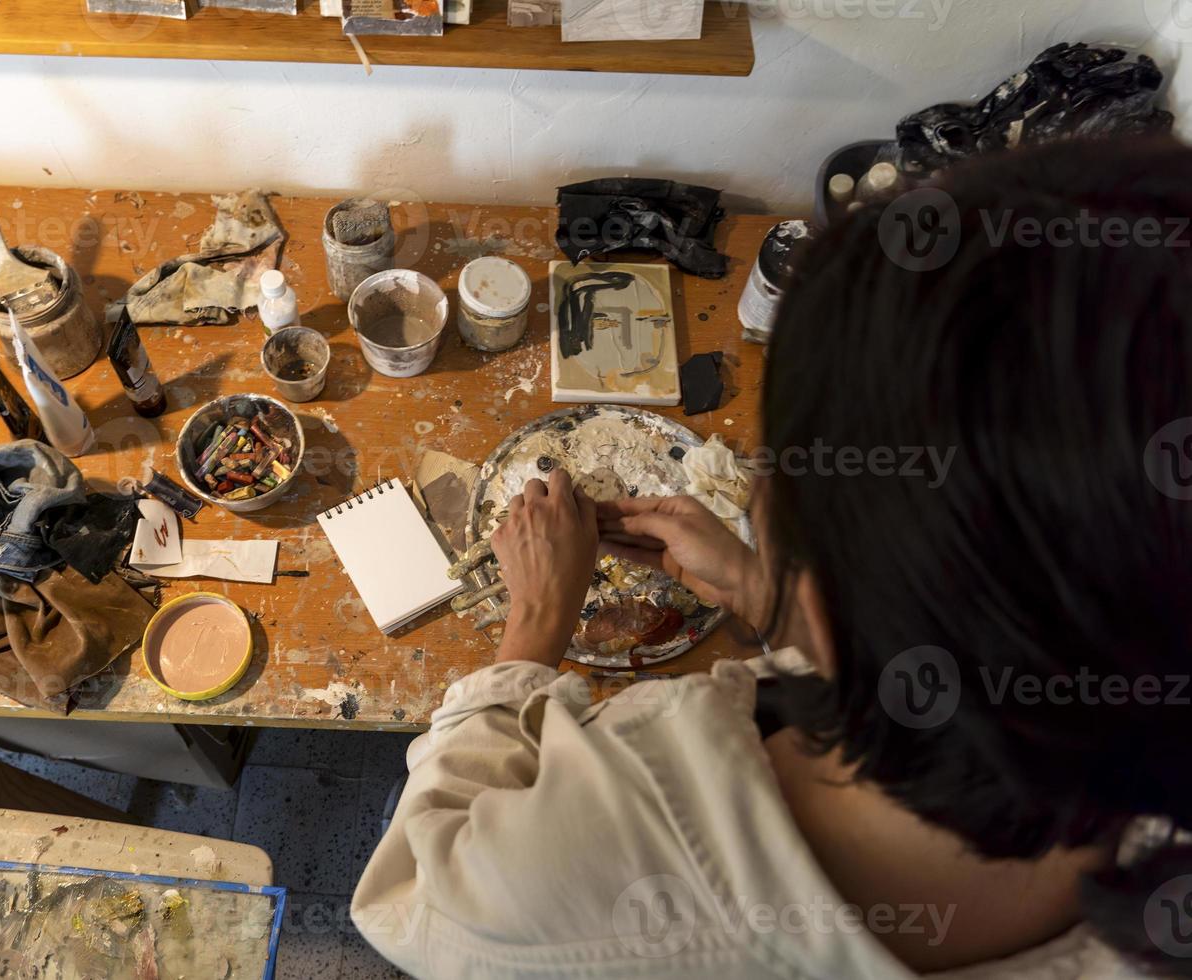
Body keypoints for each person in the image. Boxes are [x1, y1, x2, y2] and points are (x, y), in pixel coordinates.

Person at [350, 136, 1192, 978]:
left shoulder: (602, 845)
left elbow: (418, 903)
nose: (760, 491)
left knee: (406, 801)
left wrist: (530, 632)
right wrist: (775, 604)